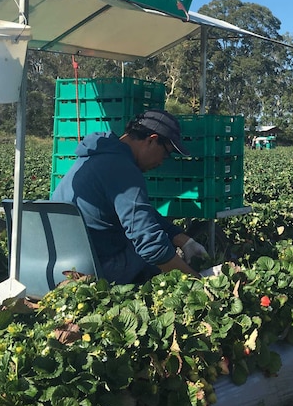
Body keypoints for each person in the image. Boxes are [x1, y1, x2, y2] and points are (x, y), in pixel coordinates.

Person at [52, 109, 205, 284]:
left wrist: (183, 240)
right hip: (96, 271)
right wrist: (198, 281)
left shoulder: (96, 156)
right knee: (153, 252)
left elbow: (142, 212)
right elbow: (151, 246)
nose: (161, 162)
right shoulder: (123, 168)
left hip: (55, 266)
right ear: (151, 140)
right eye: (165, 153)